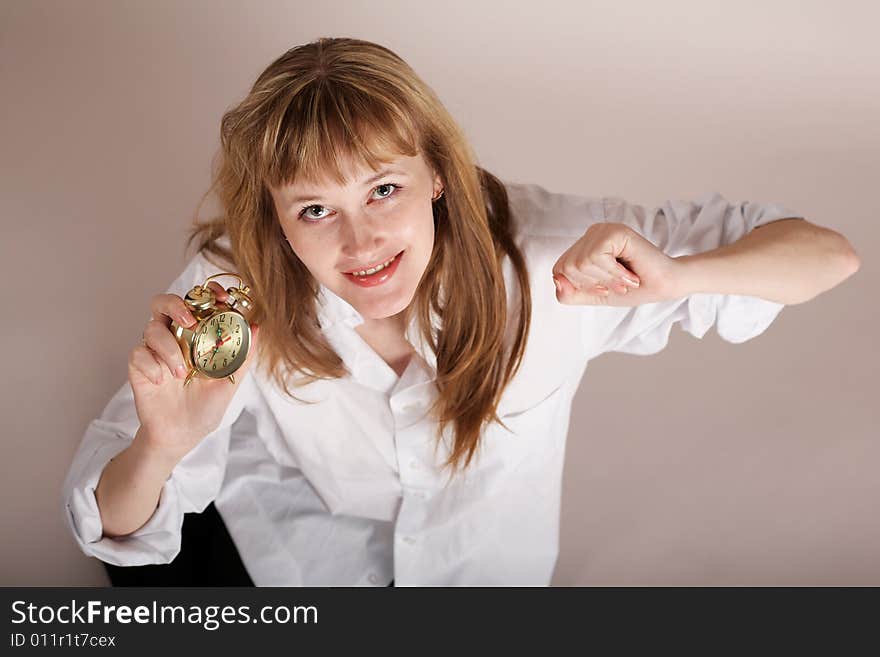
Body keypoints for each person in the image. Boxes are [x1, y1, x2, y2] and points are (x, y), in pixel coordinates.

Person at [61, 37, 849, 587]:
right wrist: (163, 445)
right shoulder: (235, 292)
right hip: (291, 560)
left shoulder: (549, 258)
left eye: (382, 190)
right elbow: (117, 525)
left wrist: (677, 277)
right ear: (273, 219)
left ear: (437, 171)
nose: (361, 241)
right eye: (313, 210)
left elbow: (828, 255)